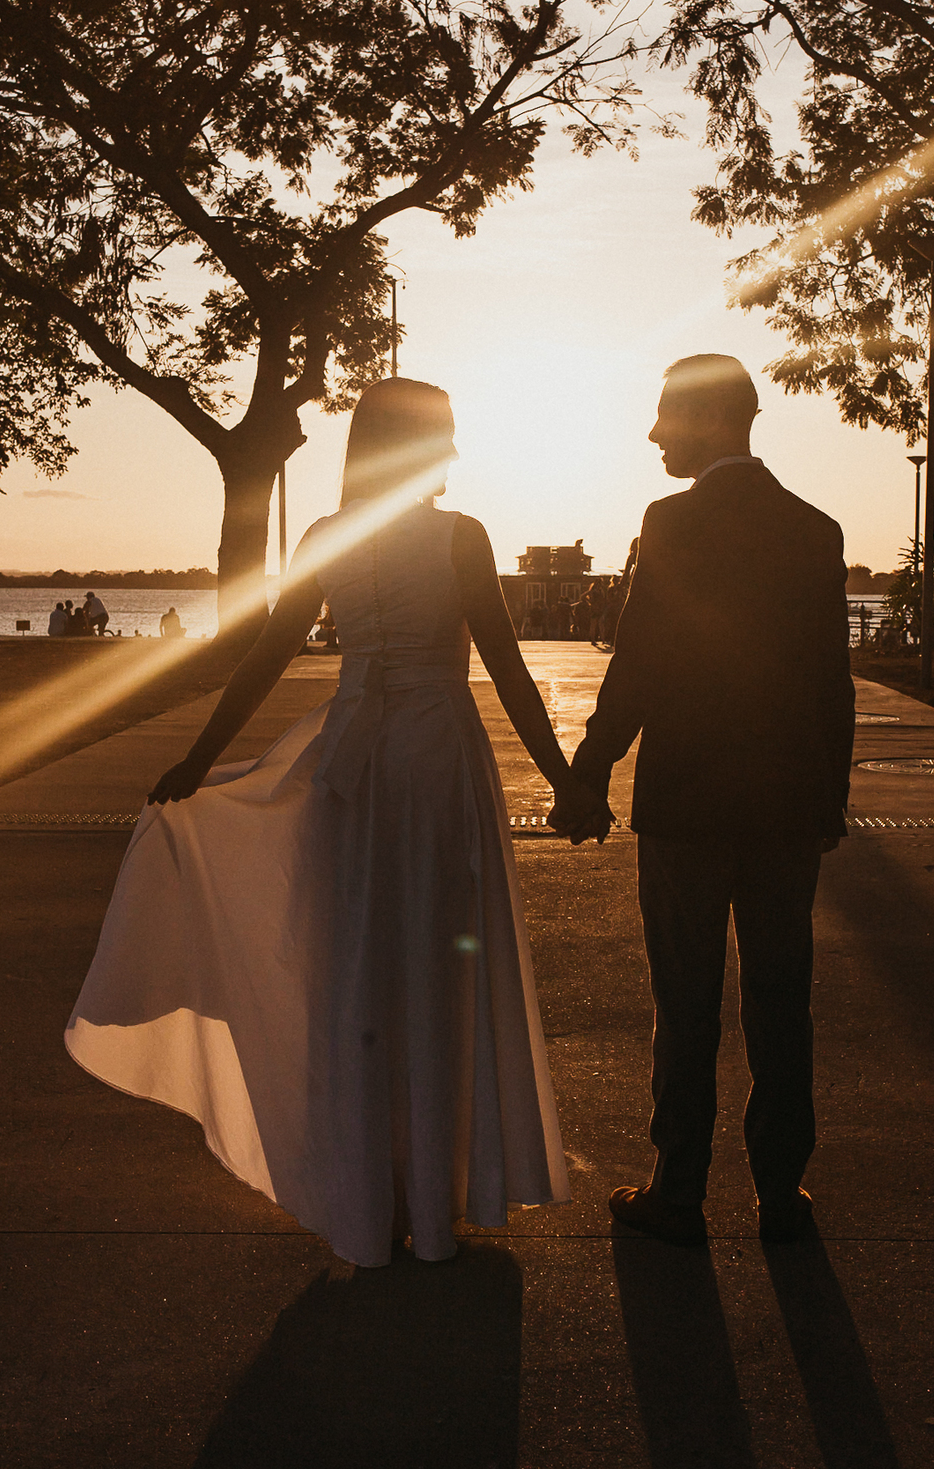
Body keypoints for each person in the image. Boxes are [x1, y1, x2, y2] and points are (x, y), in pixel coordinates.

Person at [66, 378, 610, 1268]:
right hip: (436, 761)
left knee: (356, 967)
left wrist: (200, 761)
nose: (457, 453)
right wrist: (566, 783)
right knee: (437, 967)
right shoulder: (460, 538)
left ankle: (372, 1203)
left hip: (351, 764)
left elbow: (263, 661)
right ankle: (435, 1196)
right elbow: (508, 675)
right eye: (447, 435)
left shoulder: (328, 539)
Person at [554, 354, 854, 1247]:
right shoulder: (815, 529)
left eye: (664, 419)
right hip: (785, 809)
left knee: (685, 998)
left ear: (715, 419)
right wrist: (828, 797)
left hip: (686, 803)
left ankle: (679, 1189)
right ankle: (779, 1190)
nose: (653, 436)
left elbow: (641, 658)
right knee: (780, 993)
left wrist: (591, 763)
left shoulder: (672, 523)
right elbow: (830, 681)